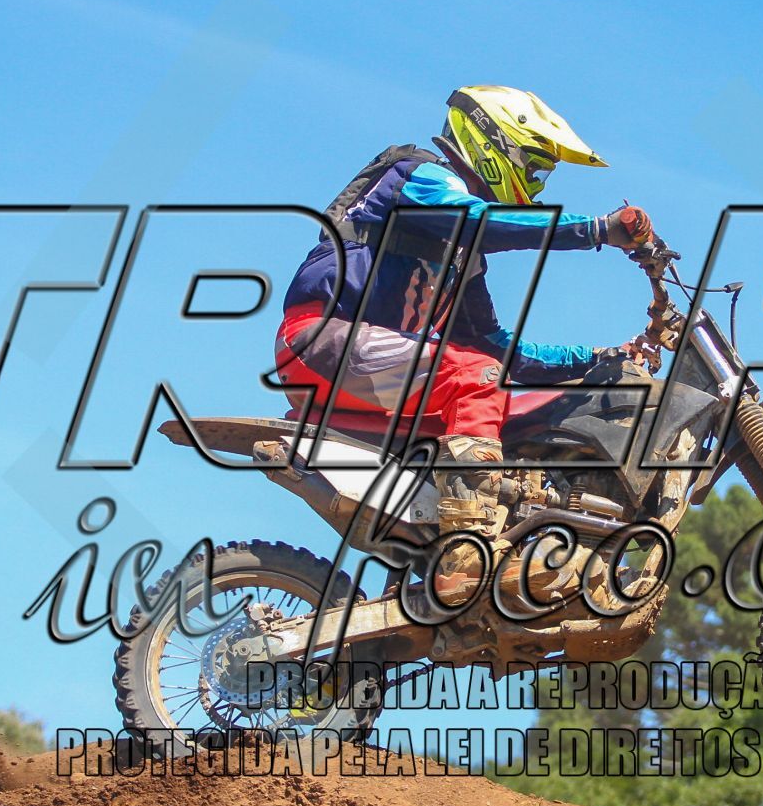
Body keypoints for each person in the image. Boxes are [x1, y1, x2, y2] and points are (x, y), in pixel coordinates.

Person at [277, 86, 656, 597]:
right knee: (475, 377)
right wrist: (593, 229)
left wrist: (594, 359)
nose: (535, 185)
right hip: (322, 341)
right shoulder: (419, 175)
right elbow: (476, 222)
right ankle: (467, 554)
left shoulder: (460, 253)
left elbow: (494, 345)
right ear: (495, 144)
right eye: (535, 170)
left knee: (506, 405)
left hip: (373, 370)